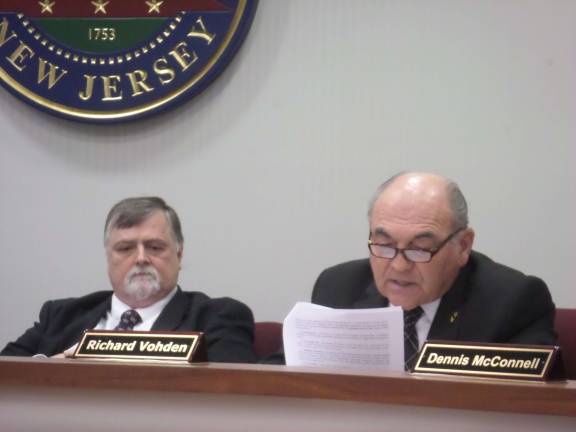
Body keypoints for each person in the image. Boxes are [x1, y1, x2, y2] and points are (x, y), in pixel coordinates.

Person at [312, 172, 557, 368]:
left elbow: (530, 405)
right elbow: (284, 377)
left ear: (463, 246)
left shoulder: (513, 302)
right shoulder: (337, 289)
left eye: (421, 248)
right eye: (385, 245)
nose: (399, 265)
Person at [1, 197, 257, 363]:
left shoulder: (217, 317)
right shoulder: (60, 315)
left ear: (179, 254)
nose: (141, 258)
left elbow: (235, 393)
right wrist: (49, 366)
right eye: (125, 248)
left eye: (155, 247)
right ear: (107, 256)